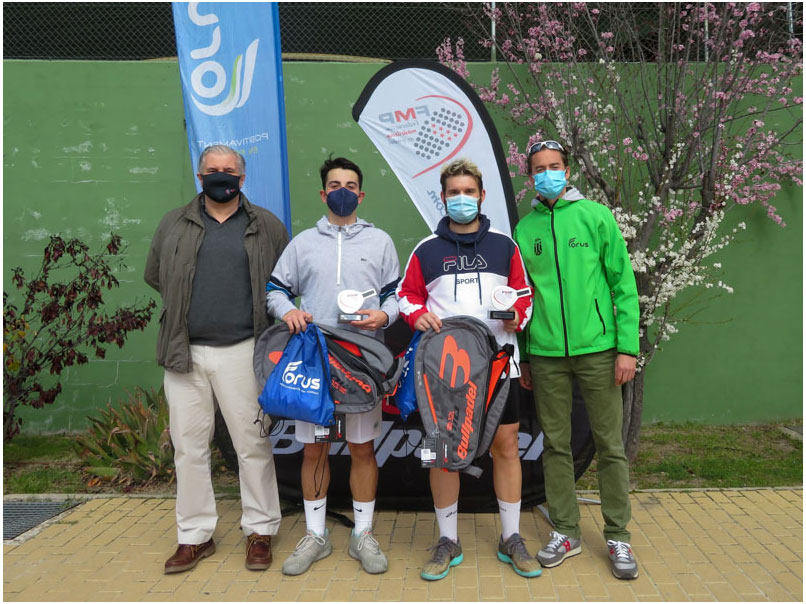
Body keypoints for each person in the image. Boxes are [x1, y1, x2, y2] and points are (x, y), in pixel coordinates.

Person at [144, 144, 289, 573]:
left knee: (252, 444)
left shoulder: (267, 225)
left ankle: (260, 531)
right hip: (184, 351)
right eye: (212, 170)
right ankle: (194, 536)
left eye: (228, 170)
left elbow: (282, 282)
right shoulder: (174, 223)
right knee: (188, 448)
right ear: (200, 176)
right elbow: (155, 274)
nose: (220, 176)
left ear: (242, 179)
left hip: (245, 350)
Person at [396, 158, 540, 581]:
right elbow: (406, 296)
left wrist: (518, 316)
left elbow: (524, 295)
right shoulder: (426, 249)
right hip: (446, 371)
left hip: (500, 365)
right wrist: (416, 315)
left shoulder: (504, 246)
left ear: (482, 195)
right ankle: (447, 540)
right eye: (454, 192)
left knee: (506, 447)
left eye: (469, 192)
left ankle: (511, 537)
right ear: (443, 198)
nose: (462, 199)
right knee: (442, 453)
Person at [266, 156, 400, 576]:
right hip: (315, 363)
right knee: (315, 449)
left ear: (362, 194)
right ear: (323, 194)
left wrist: (385, 315)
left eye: (351, 185)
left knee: (362, 448)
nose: (344, 192)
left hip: (362, 364)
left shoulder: (380, 241)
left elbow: (396, 296)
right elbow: (275, 290)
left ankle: (363, 534)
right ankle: (316, 535)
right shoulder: (303, 243)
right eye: (335, 185)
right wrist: (288, 311)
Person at [514, 140, 640, 580]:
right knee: (556, 445)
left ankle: (618, 536)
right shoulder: (525, 229)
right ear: (530, 176)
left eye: (555, 166)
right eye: (539, 168)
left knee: (610, 445)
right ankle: (565, 531)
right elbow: (523, 298)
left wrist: (627, 348)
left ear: (567, 171)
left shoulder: (595, 216)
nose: (548, 174)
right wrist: (526, 356)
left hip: (599, 351)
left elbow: (623, 284)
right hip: (546, 354)